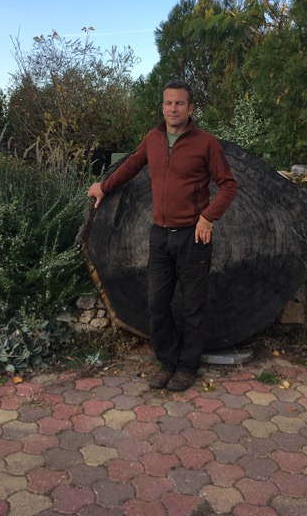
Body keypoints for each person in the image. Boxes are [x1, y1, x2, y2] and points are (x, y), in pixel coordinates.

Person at [86, 80, 237, 391]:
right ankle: (167, 362)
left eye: (179, 103)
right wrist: (104, 187)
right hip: (160, 236)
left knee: (193, 307)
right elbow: (131, 165)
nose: (173, 108)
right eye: (168, 103)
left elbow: (228, 184)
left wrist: (208, 217)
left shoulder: (206, 143)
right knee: (156, 304)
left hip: (193, 238)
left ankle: (187, 367)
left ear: (190, 109)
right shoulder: (153, 139)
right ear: (162, 107)